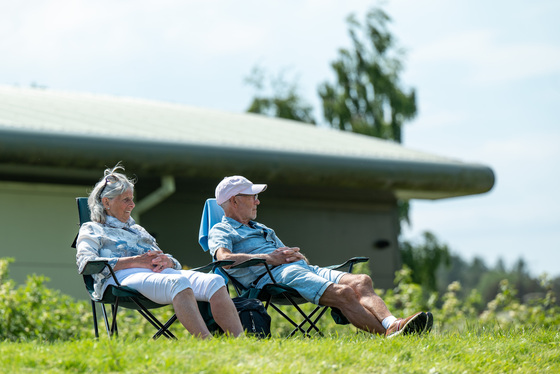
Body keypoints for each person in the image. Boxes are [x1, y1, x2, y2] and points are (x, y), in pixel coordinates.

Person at [208, 175, 433, 338]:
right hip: (271, 279)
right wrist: (269, 259)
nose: (257, 201)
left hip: (299, 269)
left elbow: (289, 256)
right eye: (252, 196)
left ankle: (393, 323)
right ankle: (391, 334)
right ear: (235, 201)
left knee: (361, 280)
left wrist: (297, 256)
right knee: (344, 293)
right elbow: (224, 259)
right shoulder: (221, 230)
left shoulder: (263, 228)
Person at [76, 163, 243, 339]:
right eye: (126, 199)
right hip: (120, 279)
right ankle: (207, 342)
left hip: (160, 274)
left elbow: (168, 259)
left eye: (132, 199)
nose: (132, 205)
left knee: (215, 281)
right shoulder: (92, 229)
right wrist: (136, 261)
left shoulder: (137, 229)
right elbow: (86, 263)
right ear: (106, 202)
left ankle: (240, 342)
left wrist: (168, 261)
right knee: (177, 283)